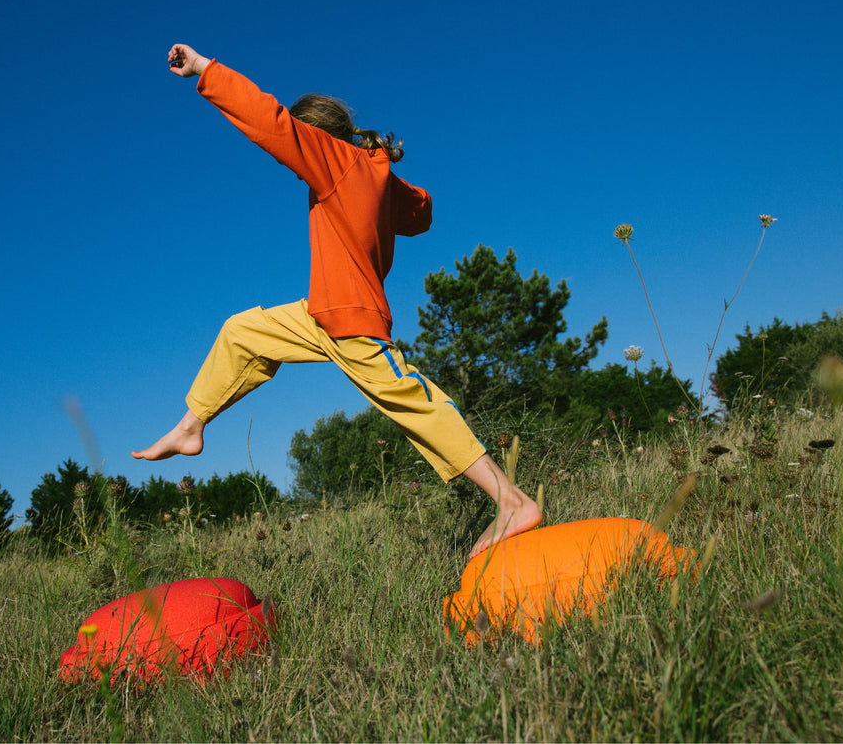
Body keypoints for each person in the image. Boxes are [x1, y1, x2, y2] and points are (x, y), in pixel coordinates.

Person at [133, 44, 542, 560]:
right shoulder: (371, 173)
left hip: (351, 316)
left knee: (414, 403)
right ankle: (191, 427)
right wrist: (389, 188)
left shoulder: (333, 161)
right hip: (321, 313)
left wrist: (203, 69)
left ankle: (512, 502)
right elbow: (421, 213)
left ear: (316, 136)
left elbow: (268, 121)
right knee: (242, 331)